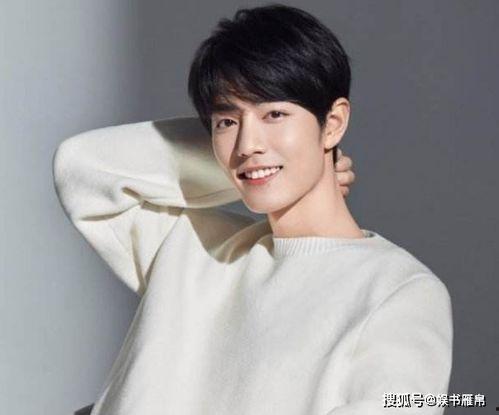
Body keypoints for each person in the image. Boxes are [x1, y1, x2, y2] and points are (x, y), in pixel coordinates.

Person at [53, 4, 453, 415]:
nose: (247, 144)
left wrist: (280, 161)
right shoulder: (194, 250)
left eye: (274, 114)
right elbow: (82, 167)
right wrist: (259, 164)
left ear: (333, 123)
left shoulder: (398, 289)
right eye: (227, 122)